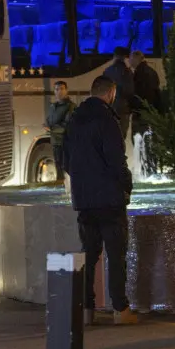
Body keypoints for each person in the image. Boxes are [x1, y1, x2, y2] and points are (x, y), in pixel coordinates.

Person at [61, 76, 137, 325]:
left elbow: (65, 161)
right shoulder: (107, 120)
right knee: (116, 255)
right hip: (109, 199)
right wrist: (127, 185)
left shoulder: (74, 119)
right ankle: (120, 310)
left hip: (84, 200)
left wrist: (84, 182)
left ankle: (87, 311)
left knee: (89, 255)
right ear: (111, 92)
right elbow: (117, 161)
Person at [101, 47, 138, 142]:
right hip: (123, 109)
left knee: (110, 136)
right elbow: (130, 91)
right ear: (124, 58)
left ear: (115, 57)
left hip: (109, 108)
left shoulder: (107, 71)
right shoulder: (127, 72)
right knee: (121, 137)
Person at [44, 80, 75, 178]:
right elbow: (49, 120)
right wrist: (47, 126)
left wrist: (51, 129)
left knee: (66, 170)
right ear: (54, 92)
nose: (59, 92)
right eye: (57, 89)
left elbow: (67, 125)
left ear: (67, 91)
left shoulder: (71, 106)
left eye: (62, 89)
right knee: (59, 169)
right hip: (55, 143)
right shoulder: (53, 107)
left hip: (66, 143)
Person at [130, 51, 163, 132]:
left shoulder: (139, 73)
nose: (129, 61)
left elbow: (138, 94)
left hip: (142, 113)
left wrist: (133, 107)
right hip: (151, 111)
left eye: (130, 59)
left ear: (135, 59)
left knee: (139, 138)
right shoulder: (152, 71)